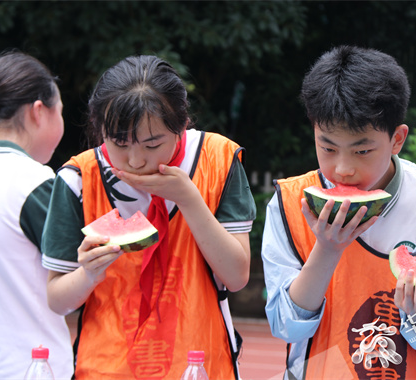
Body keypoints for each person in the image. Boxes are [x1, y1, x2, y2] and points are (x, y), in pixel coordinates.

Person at [261, 45, 416, 380]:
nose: (343, 169)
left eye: (362, 150)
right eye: (327, 147)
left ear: (397, 139)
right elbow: (285, 326)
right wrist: (327, 250)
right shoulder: (289, 202)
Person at [42, 55, 256, 379]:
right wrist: (87, 275)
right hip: (106, 368)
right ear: (100, 128)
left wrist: (189, 200)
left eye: (152, 143)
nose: (135, 160)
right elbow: (57, 300)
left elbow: (237, 277)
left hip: (199, 366)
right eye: (119, 143)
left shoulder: (219, 160)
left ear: (182, 125)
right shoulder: (77, 179)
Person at [0, 51, 74, 379]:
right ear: (39, 112)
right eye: (61, 111)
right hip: (31, 368)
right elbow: (74, 283)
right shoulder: (34, 182)